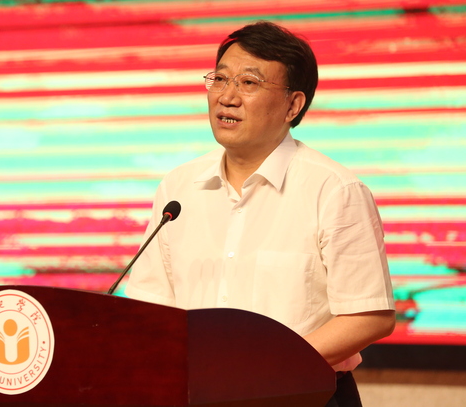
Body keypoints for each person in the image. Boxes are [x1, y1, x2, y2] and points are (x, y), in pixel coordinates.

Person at [126, 21, 395, 406]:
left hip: (304, 394)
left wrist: (263, 369)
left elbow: (370, 315)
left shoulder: (333, 190)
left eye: (249, 83)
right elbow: (150, 304)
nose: (227, 97)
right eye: (220, 79)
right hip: (198, 394)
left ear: (293, 105)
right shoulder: (178, 188)